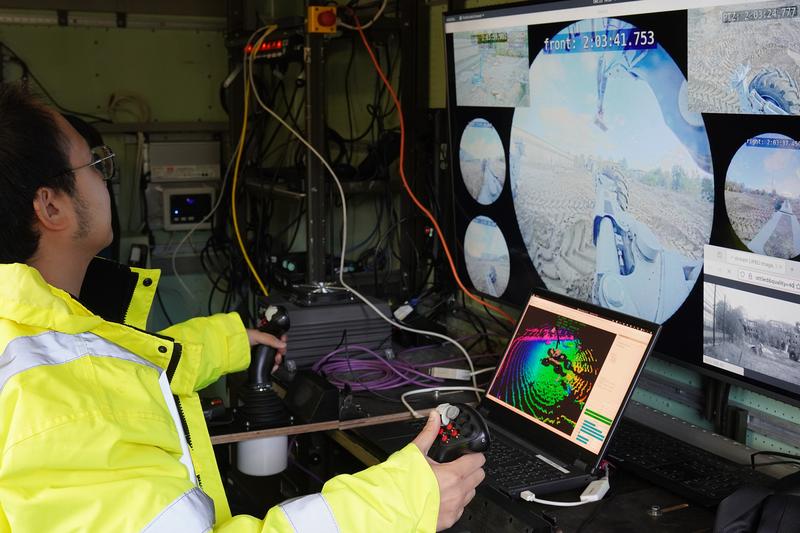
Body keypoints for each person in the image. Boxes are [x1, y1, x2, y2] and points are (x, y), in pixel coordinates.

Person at [0, 83, 485, 532]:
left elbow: (122, 368)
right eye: (95, 165)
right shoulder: (54, 402)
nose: (107, 181)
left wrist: (233, 342)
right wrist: (401, 501)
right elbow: (89, 395)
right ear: (51, 207)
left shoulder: (33, 339)